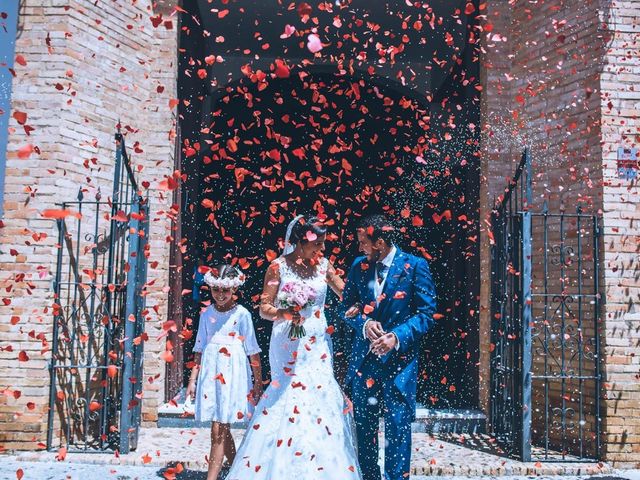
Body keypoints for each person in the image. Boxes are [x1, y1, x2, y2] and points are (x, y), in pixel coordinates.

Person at [225, 215, 362, 480]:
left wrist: (364, 307)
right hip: (287, 343)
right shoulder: (278, 267)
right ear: (300, 242)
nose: (322, 250)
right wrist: (286, 312)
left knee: (319, 396)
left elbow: (347, 295)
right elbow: (265, 308)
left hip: (317, 345)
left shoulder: (325, 266)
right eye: (318, 244)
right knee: (287, 396)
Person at [339, 214, 437, 480]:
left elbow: (426, 314)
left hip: (400, 363)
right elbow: (342, 308)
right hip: (365, 361)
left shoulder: (415, 266)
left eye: (364, 243)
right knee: (365, 427)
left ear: (379, 242)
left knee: (398, 425)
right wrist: (363, 322)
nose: (360, 248)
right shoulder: (358, 266)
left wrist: (396, 337)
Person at [186, 263, 263, 480]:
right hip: (212, 371)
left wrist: (257, 382)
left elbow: (253, 350)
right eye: (216, 289)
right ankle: (239, 470)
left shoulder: (242, 314)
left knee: (218, 428)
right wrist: (193, 379)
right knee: (221, 425)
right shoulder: (206, 314)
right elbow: (199, 347)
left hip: (233, 372)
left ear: (234, 290)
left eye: (225, 290)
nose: (220, 295)